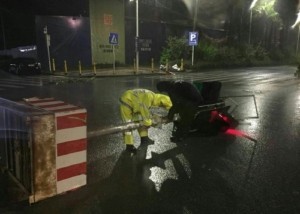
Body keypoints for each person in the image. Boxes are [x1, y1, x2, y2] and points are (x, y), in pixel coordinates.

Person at [156, 80, 222, 142]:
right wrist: (170, 115)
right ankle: (183, 130)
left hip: (194, 102)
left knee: (185, 119)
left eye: (163, 90)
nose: (164, 92)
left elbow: (178, 104)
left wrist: (169, 117)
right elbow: (175, 103)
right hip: (188, 101)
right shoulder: (172, 87)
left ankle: (181, 136)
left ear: (165, 87)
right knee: (180, 114)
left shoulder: (176, 88)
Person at [119, 89, 172, 154]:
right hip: (127, 102)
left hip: (135, 103)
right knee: (127, 125)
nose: (160, 107)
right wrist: (150, 122)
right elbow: (145, 112)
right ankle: (129, 146)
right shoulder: (149, 97)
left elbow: (143, 109)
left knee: (141, 120)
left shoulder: (152, 96)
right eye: (161, 106)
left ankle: (144, 139)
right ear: (160, 102)